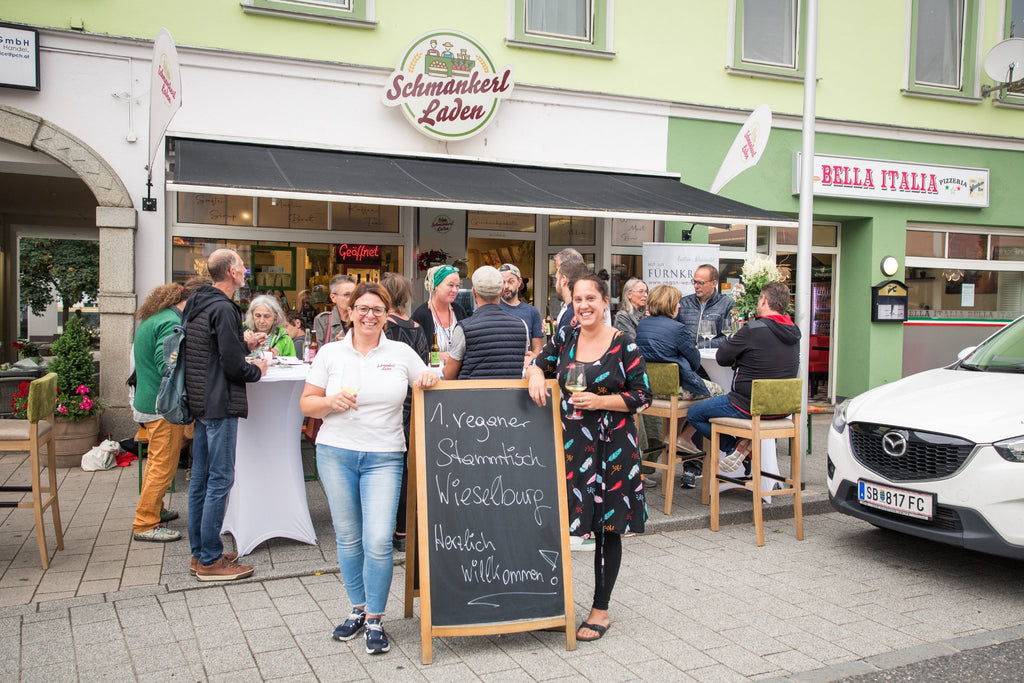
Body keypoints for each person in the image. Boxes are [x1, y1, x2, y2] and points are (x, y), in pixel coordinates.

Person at [300, 281, 439, 655]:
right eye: (362, 308)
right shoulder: (330, 353)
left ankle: (376, 617)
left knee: (378, 540)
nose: (369, 315)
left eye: (377, 309)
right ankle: (357, 610)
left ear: (386, 314)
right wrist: (330, 400)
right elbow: (307, 405)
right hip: (335, 453)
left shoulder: (400, 351)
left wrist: (429, 377)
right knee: (348, 537)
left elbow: (431, 377)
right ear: (349, 311)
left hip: (384, 455)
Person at [526, 273, 651, 643]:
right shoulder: (566, 336)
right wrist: (535, 372)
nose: (583, 306)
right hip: (571, 446)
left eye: (591, 299)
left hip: (613, 448)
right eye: (578, 299)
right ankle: (556, 603)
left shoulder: (624, 344)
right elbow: (542, 362)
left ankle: (600, 609)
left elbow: (642, 396)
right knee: (559, 523)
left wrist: (600, 401)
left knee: (605, 527)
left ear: (605, 301)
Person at [183, 249, 267, 581]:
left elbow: (214, 349)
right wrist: (256, 368)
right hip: (220, 402)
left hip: (202, 401)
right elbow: (232, 366)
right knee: (220, 479)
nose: (246, 271)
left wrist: (243, 346)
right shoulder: (223, 307)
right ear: (232, 271)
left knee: (201, 480)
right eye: (242, 266)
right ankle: (210, 561)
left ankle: (200, 552)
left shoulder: (198, 303)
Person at [686, 281, 800, 473]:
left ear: (763, 300)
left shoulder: (753, 329)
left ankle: (736, 448)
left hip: (747, 405)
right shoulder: (794, 331)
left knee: (694, 414)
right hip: (783, 409)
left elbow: (722, 358)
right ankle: (743, 447)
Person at [131, 277, 210, 543]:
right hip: (162, 406)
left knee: (157, 462)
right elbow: (167, 365)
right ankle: (145, 523)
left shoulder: (160, 316)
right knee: (162, 466)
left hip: (150, 401)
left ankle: (156, 508)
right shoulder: (171, 322)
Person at [635, 285, 724, 488]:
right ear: (670, 305)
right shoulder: (678, 328)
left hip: (652, 390)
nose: (679, 305)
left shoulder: (643, 325)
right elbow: (694, 362)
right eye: (677, 302)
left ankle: (673, 436)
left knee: (692, 395)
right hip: (674, 393)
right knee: (718, 392)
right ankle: (683, 436)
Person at [380, 273, 429, 554]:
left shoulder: (384, 328)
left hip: (389, 404)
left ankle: (388, 528)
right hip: (412, 404)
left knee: (389, 467)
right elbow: (422, 365)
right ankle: (403, 529)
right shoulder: (416, 327)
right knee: (406, 468)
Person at [444, 266, 530, 380]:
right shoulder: (522, 326)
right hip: (510, 396)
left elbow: (449, 375)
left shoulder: (464, 328)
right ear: (501, 292)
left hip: (472, 396)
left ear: (474, 292)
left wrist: (444, 368)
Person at [410, 264, 468, 369]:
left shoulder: (459, 311)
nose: (455, 290)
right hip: (431, 377)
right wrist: (437, 356)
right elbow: (411, 353)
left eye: (457, 286)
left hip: (458, 376)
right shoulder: (421, 315)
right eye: (450, 285)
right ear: (436, 286)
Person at [676, 264, 734, 349]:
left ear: (714, 283)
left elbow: (730, 336)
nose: (696, 286)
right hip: (686, 356)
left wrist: (701, 346)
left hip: (712, 358)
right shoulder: (684, 302)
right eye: (694, 282)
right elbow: (674, 330)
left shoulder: (727, 304)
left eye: (700, 283)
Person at [498, 263, 544, 361]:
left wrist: (531, 359)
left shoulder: (532, 312)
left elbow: (537, 348)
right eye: (502, 282)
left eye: (511, 282)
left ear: (519, 282)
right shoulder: (492, 308)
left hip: (523, 369)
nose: (506, 286)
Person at [314, 274, 357, 345]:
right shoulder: (323, 320)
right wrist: (335, 345)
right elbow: (318, 352)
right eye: (347, 295)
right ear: (333, 298)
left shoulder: (363, 319)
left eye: (355, 294)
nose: (352, 298)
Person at [553, 260, 589, 340]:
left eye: (557, 279)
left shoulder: (572, 313)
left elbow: (564, 350)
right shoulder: (585, 312)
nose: (555, 285)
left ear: (563, 280)